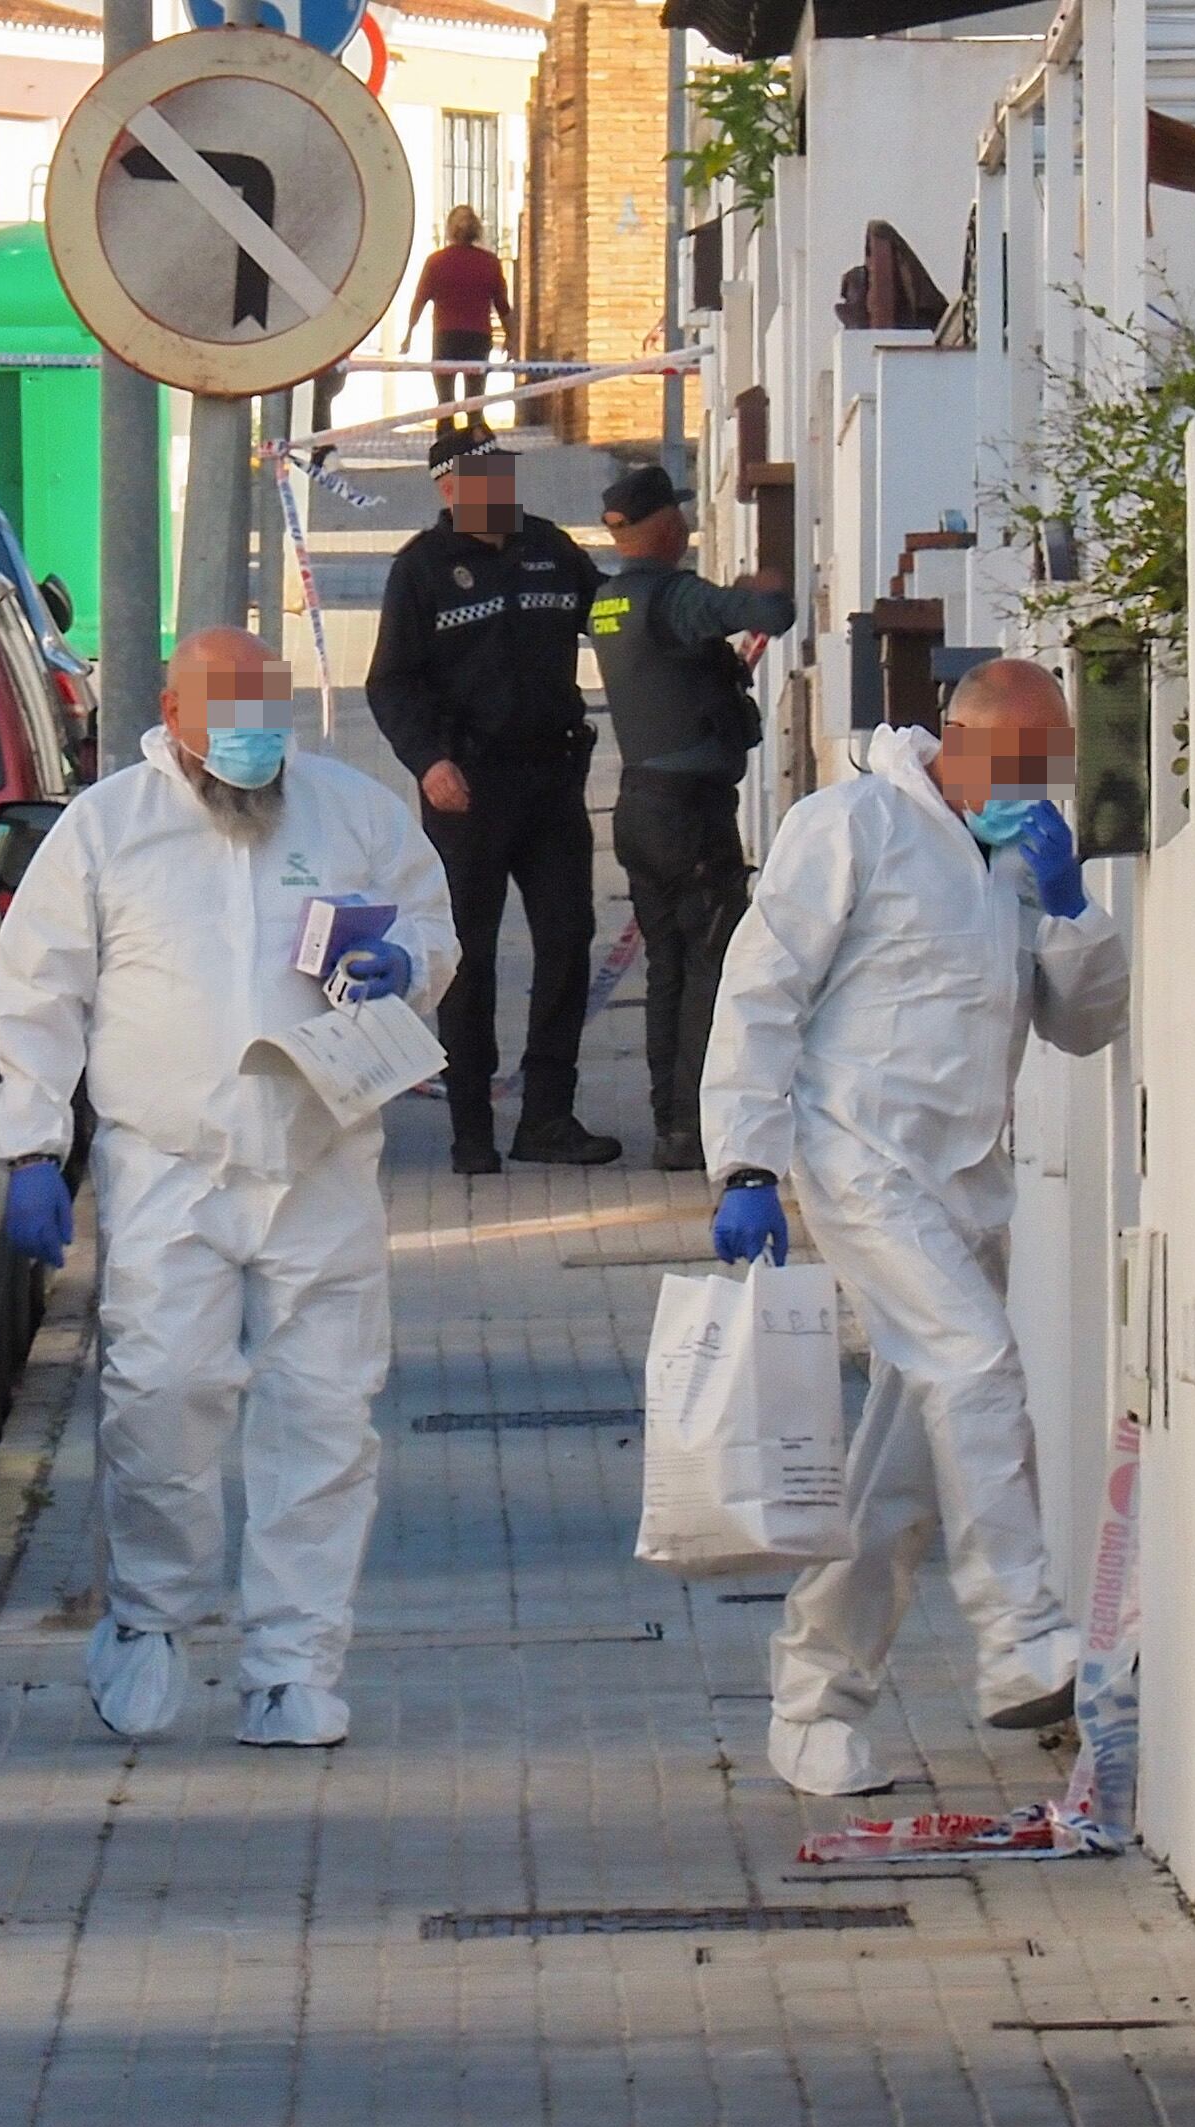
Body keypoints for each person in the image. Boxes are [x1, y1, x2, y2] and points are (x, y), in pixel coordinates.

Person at [0, 626, 456, 1748]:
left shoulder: (353, 814)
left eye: (266, 717)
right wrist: (31, 1147)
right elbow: (39, 990)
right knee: (161, 1398)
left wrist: (409, 963)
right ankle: (151, 1618)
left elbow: (432, 925)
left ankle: (294, 1665)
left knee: (324, 1418)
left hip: (320, 1160)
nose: (250, 744)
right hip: (169, 1168)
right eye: (227, 719)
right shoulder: (109, 831)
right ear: (173, 712)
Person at [701, 657, 1131, 1796]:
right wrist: (745, 1159)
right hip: (859, 1161)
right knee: (978, 1366)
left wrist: (1074, 909)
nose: (1033, 788)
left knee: (901, 1472)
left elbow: (1084, 1026)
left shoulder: (1017, 867)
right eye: (1018, 765)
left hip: (966, 1185)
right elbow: (761, 989)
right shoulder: (851, 826)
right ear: (957, 740)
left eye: (1051, 768)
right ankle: (1020, 1636)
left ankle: (816, 1700)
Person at [364, 431, 618, 1173]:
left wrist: (678, 625)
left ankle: (548, 1115)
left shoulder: (549, 549)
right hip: (465, 790)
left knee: (568, 940)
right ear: (448, 489)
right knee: (465, 959)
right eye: (479, 478)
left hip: (551, 780)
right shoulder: (421, 570)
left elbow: (608, 619)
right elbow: (390, 683)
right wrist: (429, 760)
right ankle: (471, 1127)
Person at [588, 462, 793, 1173]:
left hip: (639, 806)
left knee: (667, 970)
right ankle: (696, 1126)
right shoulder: (674, 598)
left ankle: (668, 1124)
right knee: (713, 963)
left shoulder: (608, 603)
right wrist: (763, 587)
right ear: (668, 527)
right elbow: (771, 618)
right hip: (692, 815)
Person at [403, 206, 510, 438]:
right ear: (477, 230)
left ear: (449, 230)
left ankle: (447, 455)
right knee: (475, 403)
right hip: (478, 337)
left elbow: (419, 300)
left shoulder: (436, 262)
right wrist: (512, 337)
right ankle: (478, 459)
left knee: (445, 405)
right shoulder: (490, 263)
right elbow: (503, 306)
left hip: (446, 336)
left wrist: (409, 334)